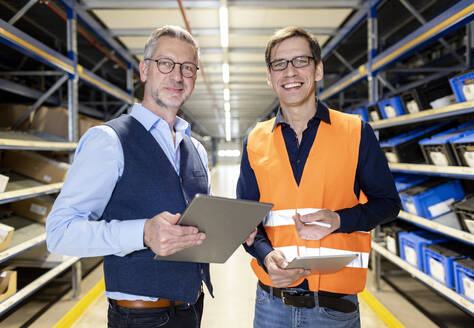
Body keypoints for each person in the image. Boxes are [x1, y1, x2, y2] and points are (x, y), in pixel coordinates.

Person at [47, 25, 213, 328]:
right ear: (144, 70)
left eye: (187, 68)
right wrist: (143, 233)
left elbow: (195, 226)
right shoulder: (108, 141)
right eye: (165, 64)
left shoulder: (197, 149)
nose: (177, 76)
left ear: (195, 77)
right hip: (139, 318)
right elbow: (60, 232)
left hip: (192, 309)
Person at [237, 26, 401, 328]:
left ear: (318, 69)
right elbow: (246, 220)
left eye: (301, 60)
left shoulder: (356, 132)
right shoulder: (255, 139)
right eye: (279, 64)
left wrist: (340, 220)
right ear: (269, 76)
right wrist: (265, 255)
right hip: (272, 303)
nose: (290, 72)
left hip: (334, 309)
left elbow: (388, 203)